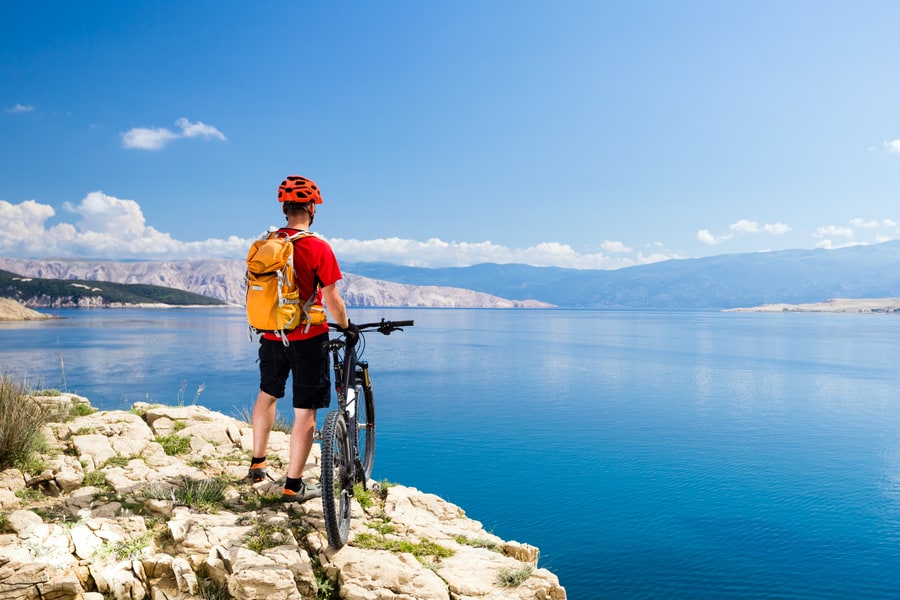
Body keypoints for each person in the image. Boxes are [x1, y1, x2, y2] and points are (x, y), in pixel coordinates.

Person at [247, 175, 358, 502]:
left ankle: (258, 463)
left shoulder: (265, 242)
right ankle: (293, 485)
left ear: (284, 208)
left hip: (270, 334)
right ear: (311, 208)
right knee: (304, 411)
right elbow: (333, 299)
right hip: (309, 339)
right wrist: (348, 326)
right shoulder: (317, 246)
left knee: (267, 395)